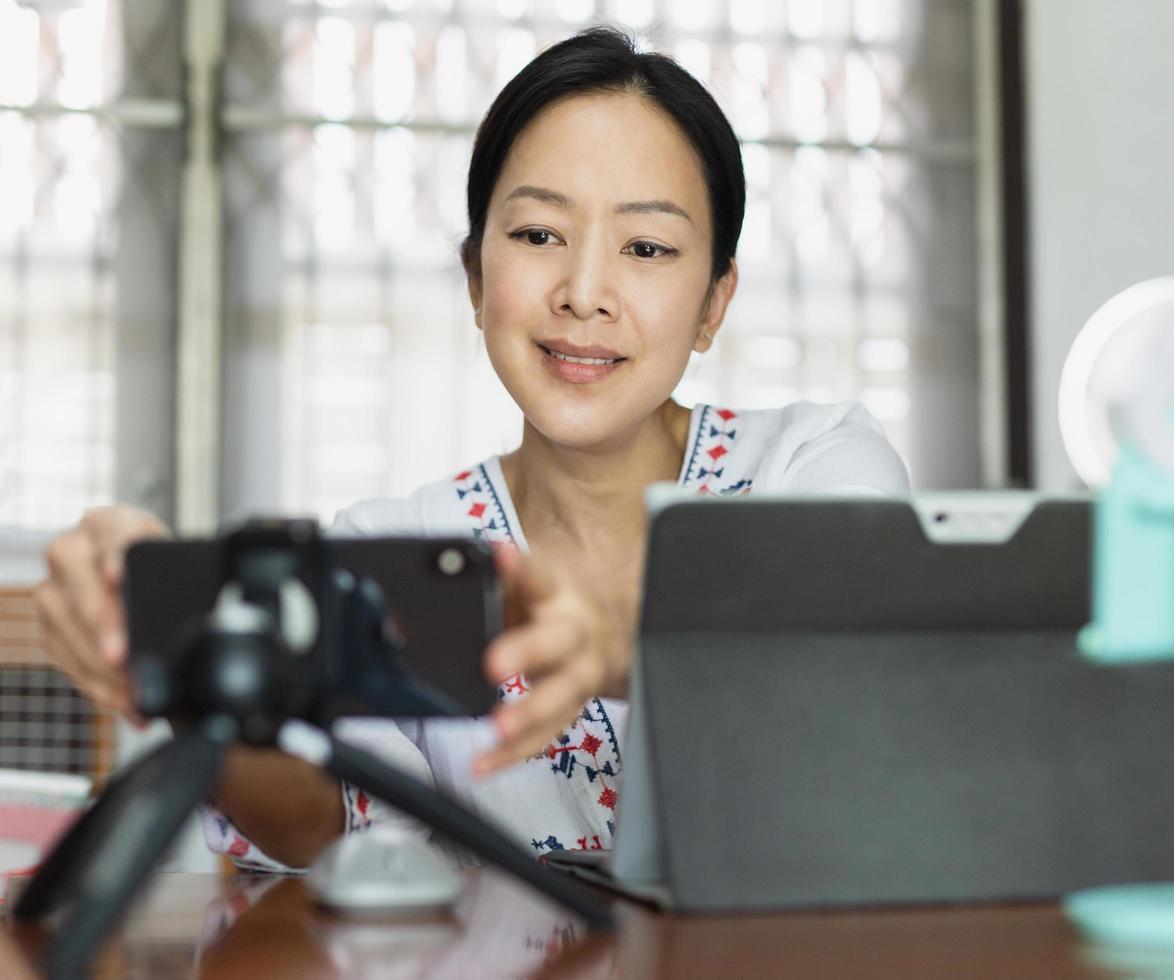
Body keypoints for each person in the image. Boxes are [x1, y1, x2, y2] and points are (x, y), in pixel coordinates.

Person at [34, 28, 909, 869]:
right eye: (537, 235)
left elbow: (843, 655)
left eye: (647, 247)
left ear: (715, 302)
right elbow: (327, 827)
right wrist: (193, 657)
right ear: (477, 279)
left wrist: (618, 640)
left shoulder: (819, 463)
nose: (584, 293)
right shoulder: (392, 551)